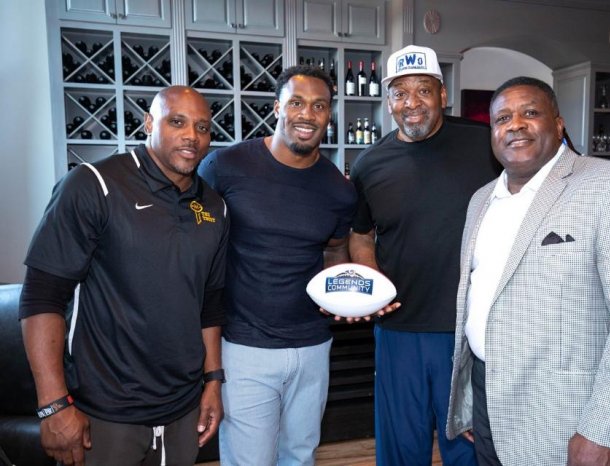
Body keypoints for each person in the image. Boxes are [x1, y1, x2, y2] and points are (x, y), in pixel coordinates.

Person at [445, 76, 610, 465]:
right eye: (502, 118)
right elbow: (480, 302)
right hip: (487, 397)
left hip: (567, 415)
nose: (515, 125)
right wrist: (471, 399)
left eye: (530, 112)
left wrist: (604, 430)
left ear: (557, 124)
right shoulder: (481, 200)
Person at [19, 85, 229, 466]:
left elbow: (210, 303)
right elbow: (41, 296)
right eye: (177, 122)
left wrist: (213, 381)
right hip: (105, 414)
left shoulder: (215, 207)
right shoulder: (94, 184)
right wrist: (53, 405)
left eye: (202, 127)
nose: (191, 136)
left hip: (182, 410)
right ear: (149, 123)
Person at [349, 45, 500, 466]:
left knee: (467, 449)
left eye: (423, 90)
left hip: (469, 328)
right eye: (400, 93)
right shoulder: (369, 164)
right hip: (399, 330)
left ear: (442, 95)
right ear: (388, 101)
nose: (411, 103)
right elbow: (360, 236)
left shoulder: (485, 144)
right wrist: (374, 287)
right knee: (400, 450)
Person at [198, 65, 357, 466]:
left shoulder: (338, 189)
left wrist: (342, 295)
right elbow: (193, 247)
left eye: (319, 105)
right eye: (297, 103)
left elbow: (335, 251)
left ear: (329, 114)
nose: (308, 114)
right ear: (276, 108)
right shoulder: (224, 167)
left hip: (313, 345)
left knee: (300, 457)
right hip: (244, 346)